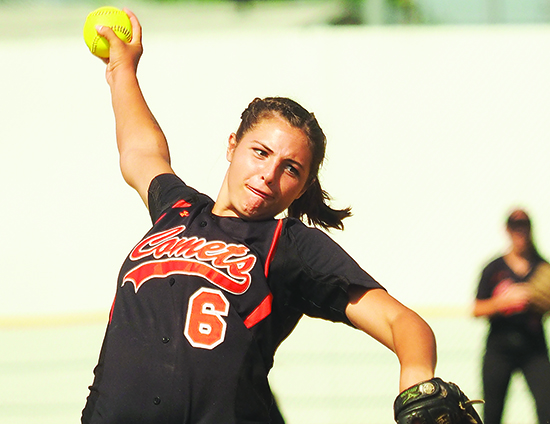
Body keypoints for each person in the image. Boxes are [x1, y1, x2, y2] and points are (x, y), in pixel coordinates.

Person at [81, 9, 438, 424]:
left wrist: (416, 380)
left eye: (291, 169)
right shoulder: (176, 211)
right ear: (232, 145)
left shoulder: (289, 244)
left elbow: (403, 322)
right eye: (260, 152)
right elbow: (141, 151)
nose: (269, 174)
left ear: (302, 188)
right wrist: (122, 71)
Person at [473, 209, 550, 424]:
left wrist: (541, 300)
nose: (520, 233)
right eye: (515, 228)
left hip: (534, 347)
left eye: (524, 227)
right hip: (500, 347)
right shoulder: (494, 268)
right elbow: (476, 309)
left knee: (547, 414)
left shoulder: (542, 266)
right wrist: (503, 302)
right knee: (493, 414)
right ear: (507, 230)